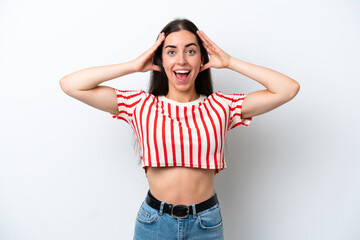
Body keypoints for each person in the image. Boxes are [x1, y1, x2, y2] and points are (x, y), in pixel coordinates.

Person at [59, 18, 300, 240]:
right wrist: (133, 65)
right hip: (153, 223)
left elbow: (287, 89)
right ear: (161, 60)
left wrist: (230, 62)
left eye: (191, 51)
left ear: (202, 59)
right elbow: (71, 85)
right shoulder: (140, 105)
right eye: (171, 51)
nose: (181, 60)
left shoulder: (221, 106)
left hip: (206, 224)